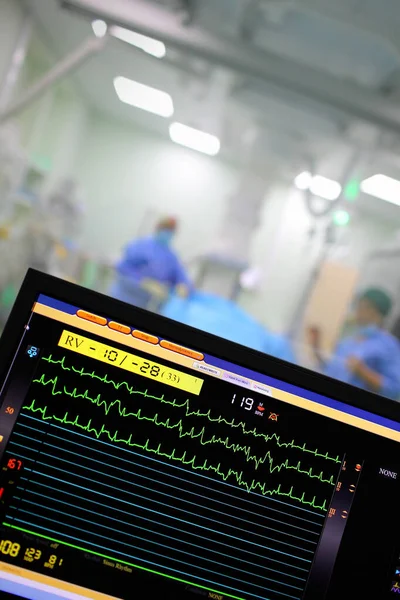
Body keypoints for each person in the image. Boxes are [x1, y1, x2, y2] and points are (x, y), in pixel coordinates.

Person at [308, 288, 400, 400]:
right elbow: (331, 369)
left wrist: (363, 371)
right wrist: (315, 346)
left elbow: (394, 389)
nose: (358, 310)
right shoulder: (348, 340)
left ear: (375, 312)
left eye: (362, 306)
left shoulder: (389, 346)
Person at [111, 216, 192, 310]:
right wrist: (144, 282)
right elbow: (123, 268)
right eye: (166, 229)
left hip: (143, 305)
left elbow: (179, 275)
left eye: (171, 231)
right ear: (158, 228)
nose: (168, 233)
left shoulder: (171, 256)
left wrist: (183, 285)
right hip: (123, 298)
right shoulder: (140, 245)